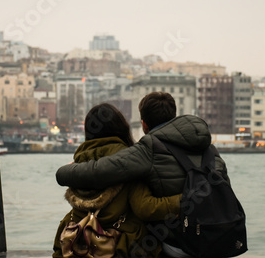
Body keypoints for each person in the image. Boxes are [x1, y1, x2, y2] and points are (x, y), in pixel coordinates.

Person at [56, 92, 230, 257]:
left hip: (179, 243)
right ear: (174, 118)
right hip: (219, 235)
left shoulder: (147, 150)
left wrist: (65, 171)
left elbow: (101, 172)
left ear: (144, 124)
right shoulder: (210, 149)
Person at [53, 103, 181, 258]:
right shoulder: (130, 161)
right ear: (121, 128)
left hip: (79, 243)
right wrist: (185, 200)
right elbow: (145, 208)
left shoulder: (78, 161)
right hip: (120, 244)